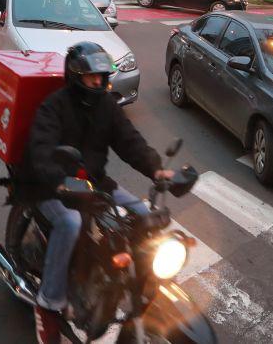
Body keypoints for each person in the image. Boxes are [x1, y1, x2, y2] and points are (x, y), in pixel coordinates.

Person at [20, 42, 171, 344]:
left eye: (102, 78)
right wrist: (59, 181)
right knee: (71, 223)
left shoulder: (106, 106)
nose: (99, 83)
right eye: (92, 78)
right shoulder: (54, 106)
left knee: (144, 215)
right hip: (50, 185)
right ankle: (48, 305)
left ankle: (129, 283)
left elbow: (129, 141)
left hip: (94, 183)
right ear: (76, 77)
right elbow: (41, 151)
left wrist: (157, 169)